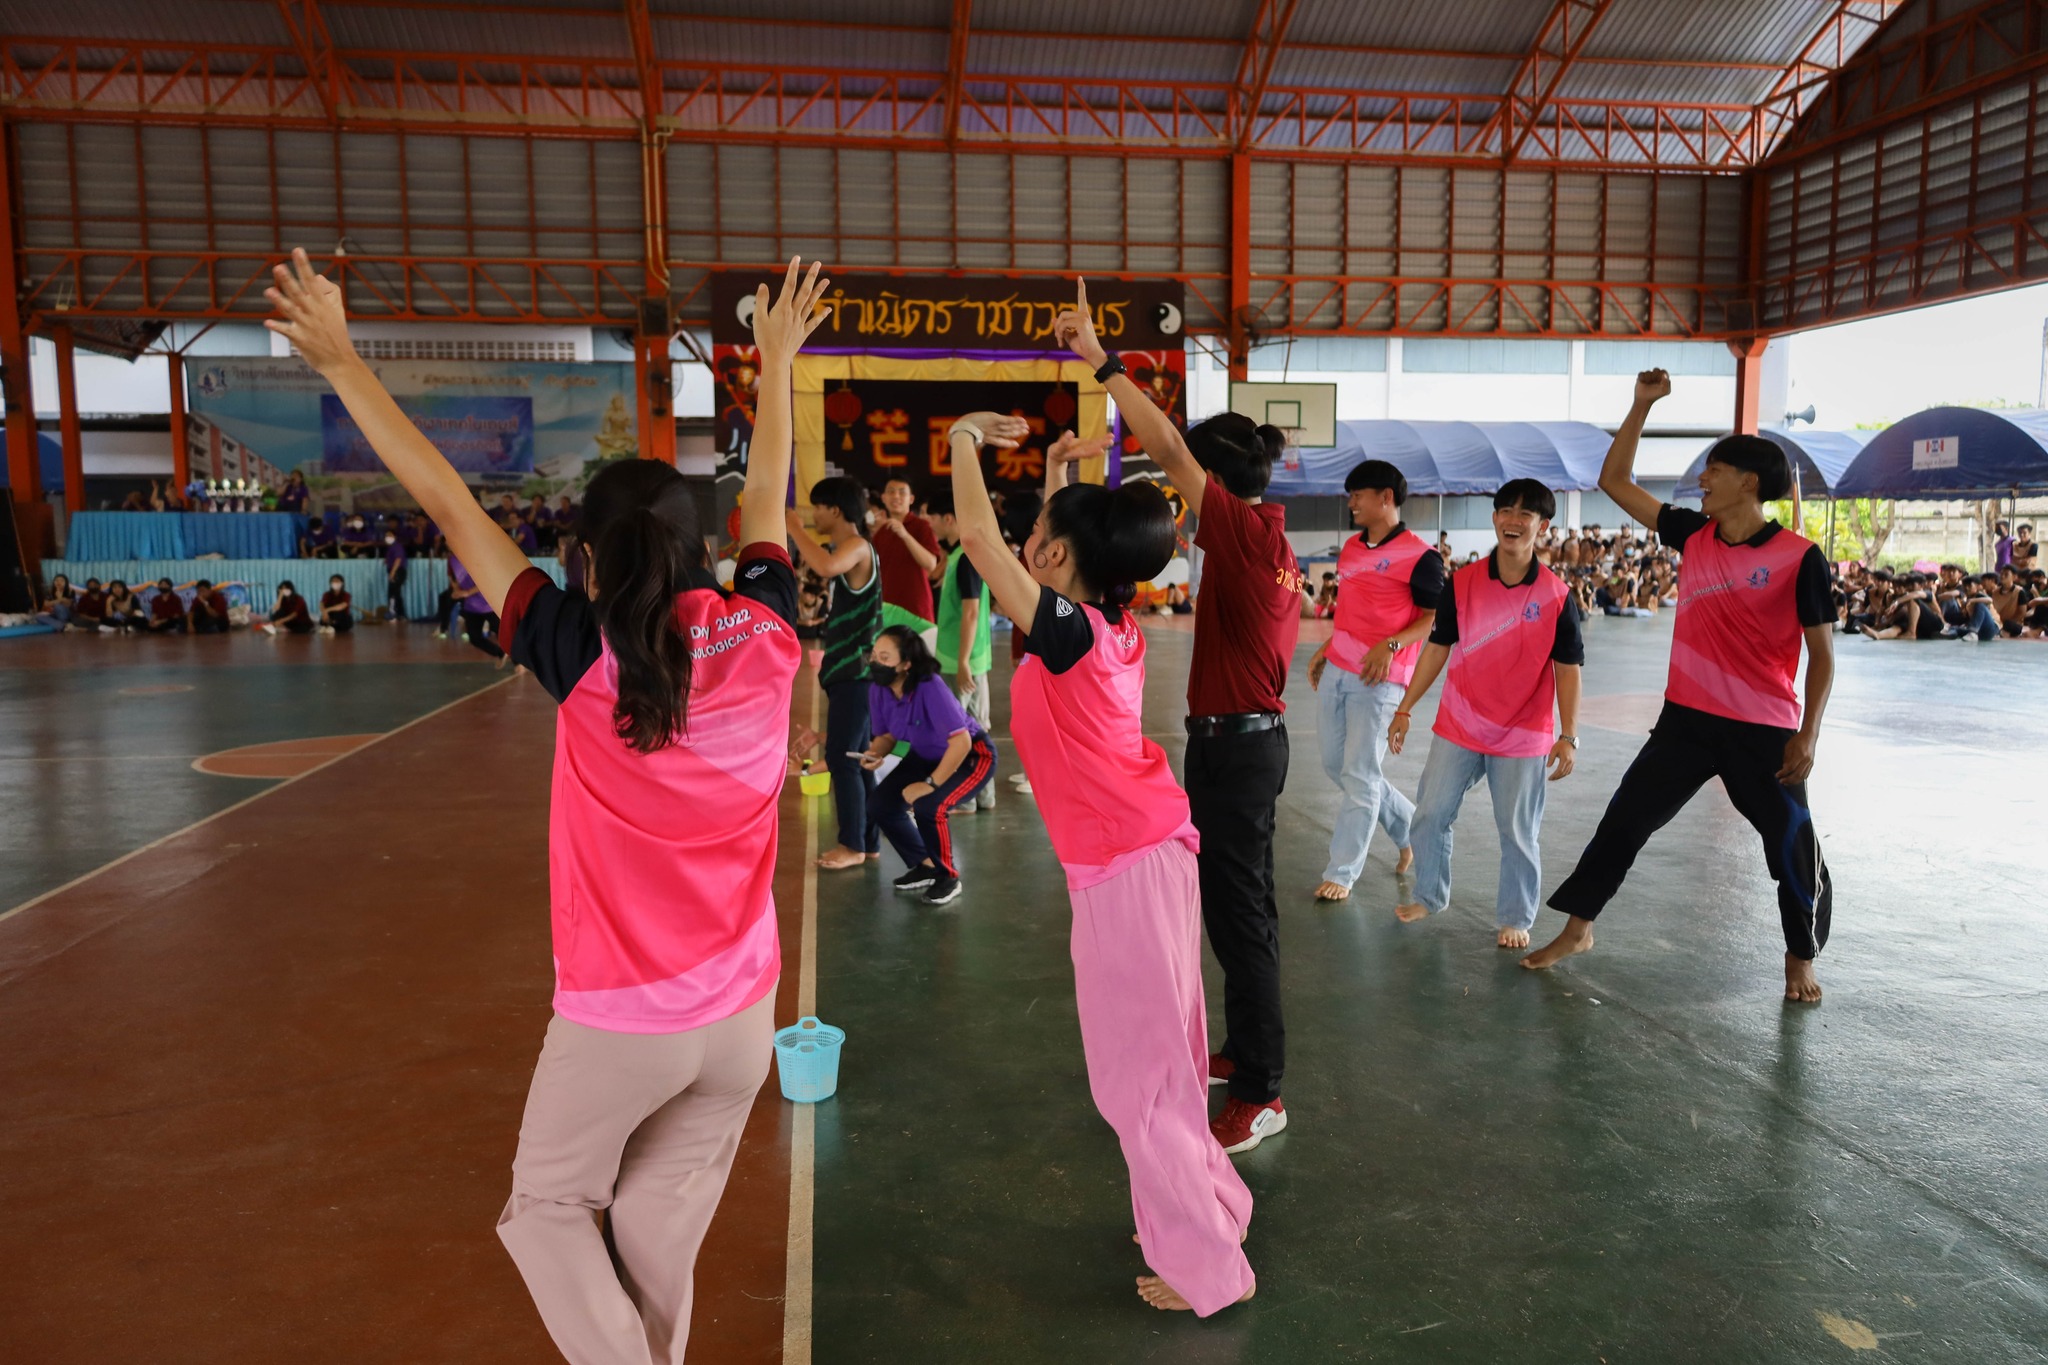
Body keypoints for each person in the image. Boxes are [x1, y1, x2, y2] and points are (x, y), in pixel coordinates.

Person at [268, 244, 830, 1364]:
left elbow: (440, 492)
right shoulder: (767, 628)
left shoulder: (576, 651)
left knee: (547, 1211)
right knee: (660, 1216)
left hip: (624, 1020)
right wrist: (773, 360)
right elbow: (767, 486)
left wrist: (341, 358)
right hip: (739, 1020)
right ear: (707, 550)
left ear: (583, 559)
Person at [948, 403, 1256, 1319]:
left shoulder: (1069, 630)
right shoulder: (1101, 624)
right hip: (1148, 852)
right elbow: (1051, 548)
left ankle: (1210, 1267)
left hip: (1126, 867)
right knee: (1168, 1060)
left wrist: (964, 437)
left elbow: (974, 534)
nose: (1028, 539)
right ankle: (1213, 1209)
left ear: (1047, 558)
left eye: (1038, 533)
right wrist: (1054, 472)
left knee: (1140, 1078)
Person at [1054, 277, 1305, 1156]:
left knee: (1242, 916)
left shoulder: (1241, 532)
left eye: (1185, 476)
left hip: (1239, 749)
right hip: (1237, 743)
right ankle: (1245, 1053)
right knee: (1241, 912)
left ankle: (1264, 1090)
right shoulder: (1263, 544)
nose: (1171, 485)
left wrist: (1099, 361)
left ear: (1219, 483)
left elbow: (1160, 435)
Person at [1525, 371, 1836, 1004]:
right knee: (1624, 822)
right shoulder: (1693, 533)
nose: (1703, 479)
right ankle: (1578, 928)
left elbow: (1822, 654)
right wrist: (1639, 405)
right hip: (1687, 722)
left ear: (1748, 482)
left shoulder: (1799, 557)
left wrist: (1808, 733)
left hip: (1764, 729)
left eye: (1714, 470)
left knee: (1789, 846)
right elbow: (1613, 483)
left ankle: (1799, 956)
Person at [1386, 480, 1584, 949]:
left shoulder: (1557, 595)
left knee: (1517, 831)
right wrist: (1406, 707)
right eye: (1505, 511)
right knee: (1430, 814)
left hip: (1523, 735)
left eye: (1526, 514)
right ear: (1494, 518)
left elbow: (1568, 669)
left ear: (1543, 526)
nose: (1513, 521)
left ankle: (1515, 915)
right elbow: (1437, 648)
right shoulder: (1463, 582)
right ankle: (1430, 895)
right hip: (1460, 723)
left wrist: (1569, 734)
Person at [1304, 460, 1439, 902]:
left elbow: (1437, 618)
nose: (1352, 503)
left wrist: (1394, 645)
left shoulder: (1421, 556)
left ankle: (1341, 873)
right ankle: (1409, 827)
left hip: (1381, 681)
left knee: (1361, 774)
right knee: (1335, 764)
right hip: (1339, 669)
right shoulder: (1351, 549)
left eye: (1358, 495)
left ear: (1386, 497)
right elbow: (1352, 607)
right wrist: (1326, 649)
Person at [784, 475, 884, 871]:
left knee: (842, 760)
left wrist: (793, 527)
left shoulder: (857, 546)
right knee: (858, 759)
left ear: (835, 510)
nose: (813, 516)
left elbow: (824, 566)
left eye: (817, 509)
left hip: (855, 672)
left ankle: (852, 845)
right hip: (850, 671)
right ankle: (868, 841)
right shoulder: (850, 547)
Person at [859, 625, 998, 905]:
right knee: (880, 805)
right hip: (925, 755)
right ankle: (925, 865)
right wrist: (875, 753)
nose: (876, 662)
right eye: (874, 655)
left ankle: (948, 876)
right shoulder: (879, 689)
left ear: (906, 664)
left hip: (972, 756)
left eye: (885, 658)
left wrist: (930, 784)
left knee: (930, 806)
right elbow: (886, 735)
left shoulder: (929, 686)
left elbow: (961, 743)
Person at [875, 476, 942, 643]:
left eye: (901, 492)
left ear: (911, 499)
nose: (896, 496)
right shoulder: (881, 532)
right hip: (888, 608)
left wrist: (905, 534)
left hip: (916, 606)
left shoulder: (922, 526)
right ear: (883, 498)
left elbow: (931, 564)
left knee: (921, 660)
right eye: (891, 492)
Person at [449, 553, 502, 663]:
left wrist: (468, 592)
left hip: (488, 603)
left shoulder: (475, 555)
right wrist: (457, 592)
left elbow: (486, 581)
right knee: (474, 637)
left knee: (502, 632)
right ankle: (500, 653)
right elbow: (455, 582)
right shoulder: (453, 559)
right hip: (472, 606)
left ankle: (519, 661)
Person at [383, 529, 409, 623]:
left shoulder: (397, 546)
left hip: (397, 572)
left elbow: (398, 560)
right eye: (386, 535)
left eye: (390, 535)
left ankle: (392, 614)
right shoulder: (391, 547)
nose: (387, 537)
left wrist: (393, 572)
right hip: (396, 571)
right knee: (396, 593)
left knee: (392, 593)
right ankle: (401, 614)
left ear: (395, 536)